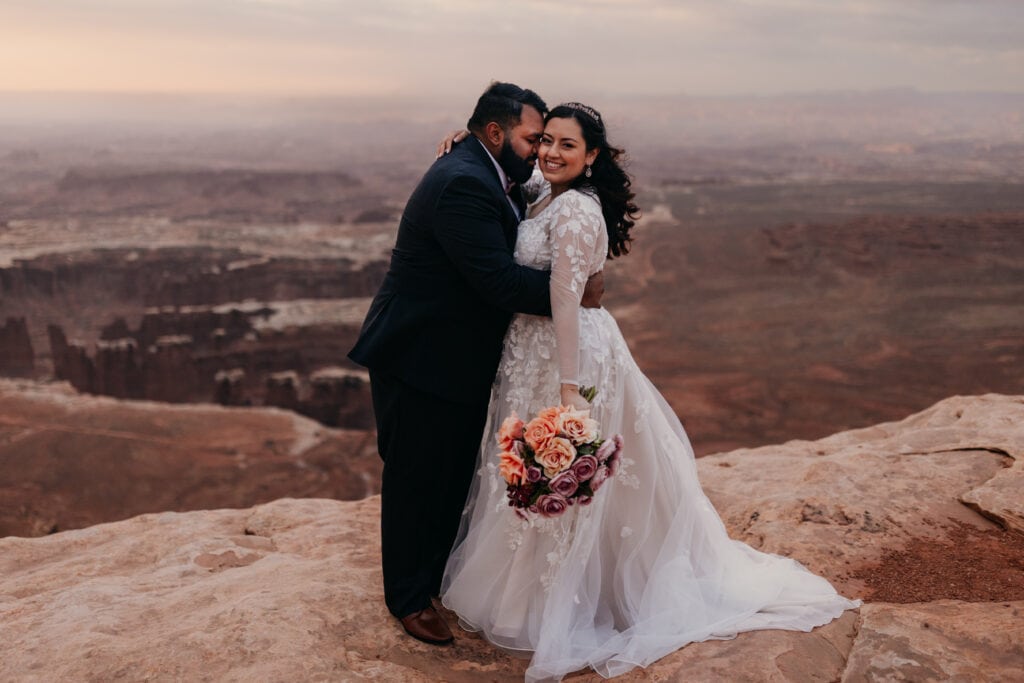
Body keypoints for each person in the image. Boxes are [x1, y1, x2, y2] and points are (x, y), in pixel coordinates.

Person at [439, 103, 861, 681]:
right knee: (532, 470)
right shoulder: (546, 189)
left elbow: (564, 300)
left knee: (569, 469)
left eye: (568, 145)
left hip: (568, 354)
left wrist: (569, 388)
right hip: (533, 352)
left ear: (592, 157)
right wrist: (468, 141)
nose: (551, 153)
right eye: (548, 142)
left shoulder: (577, 213)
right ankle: (529, 591)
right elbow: (515, 169)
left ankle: (576, 599)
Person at [348, 82, 604, 646]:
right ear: (496, 133)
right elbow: (497, 280)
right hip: (420, 355)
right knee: (417, 476)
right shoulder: (463, 180)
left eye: (548, 141)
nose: (540, 150)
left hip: (456, 357)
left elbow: (544, 183)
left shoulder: (492, 165)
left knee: (451, 473)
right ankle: (409, 600)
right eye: (532, 138)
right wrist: (574, 288)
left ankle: (434, 575)